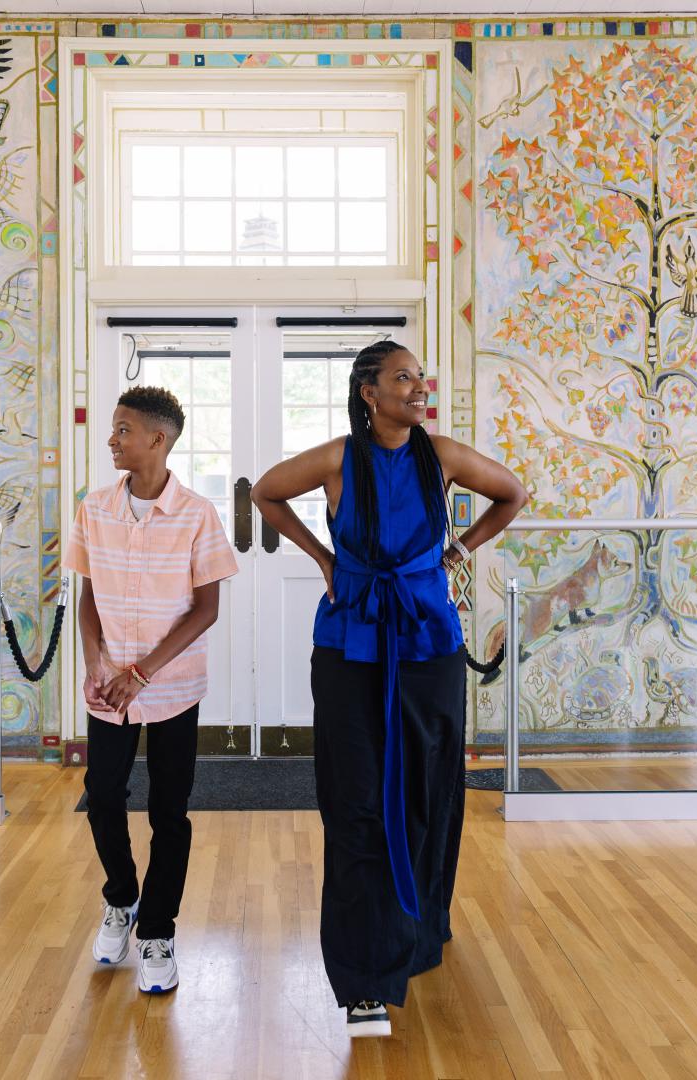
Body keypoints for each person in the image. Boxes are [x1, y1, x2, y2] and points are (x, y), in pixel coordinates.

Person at [251, 340, 528, 1038]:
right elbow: (264, 492)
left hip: (429, 643)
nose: (417, 387)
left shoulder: (444, 456)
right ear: (369, 392)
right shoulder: (339, 458)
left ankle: (420, 932)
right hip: (350, 646)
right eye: (403, 378)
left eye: (420, 377)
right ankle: (363, 979)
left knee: (431, 792)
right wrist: (322, 558)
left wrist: (457, 550)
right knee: (358, 805)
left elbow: (513, 494)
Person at [65, 385, 238, 994]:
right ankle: (122, 898)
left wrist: (142, 673)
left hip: (174, 689)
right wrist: (97, 665)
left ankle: (159, 930)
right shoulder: (94, 508)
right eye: (114, 430)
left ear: (156, 441)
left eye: (122, 430)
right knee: (102, 794)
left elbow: (206, 609)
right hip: (108, 688)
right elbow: (87, 595)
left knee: (169, 810)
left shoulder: (197, 514)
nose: (112, 440)